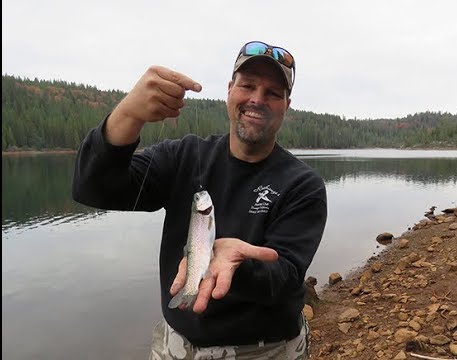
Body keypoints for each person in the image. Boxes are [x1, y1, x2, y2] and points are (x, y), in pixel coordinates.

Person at [72, 40, 327, 359]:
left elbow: (286, 277)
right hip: (176, 347)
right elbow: (91, 187)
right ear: (230, 90)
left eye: (273, 93)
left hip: (267, 350)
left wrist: (238, 265)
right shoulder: (183, 156)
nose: (257, 99)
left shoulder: (303, 184)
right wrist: (128, 115)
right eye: (247, 85)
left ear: (287, 105)